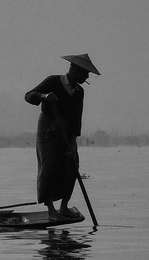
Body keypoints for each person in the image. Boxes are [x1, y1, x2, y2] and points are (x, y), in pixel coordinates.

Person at [24, 54, 99, 219]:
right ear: (75, 70)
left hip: (67, 131)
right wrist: (44, 96)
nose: (86, 77)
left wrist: (73, 142)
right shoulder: (53, 81)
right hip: (48, 129)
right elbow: (29, 95)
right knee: (49, 166)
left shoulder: (79, 92)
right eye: (85, 73)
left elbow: (76, 119)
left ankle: (64, 207)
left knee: (71, 164)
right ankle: (51, 210)